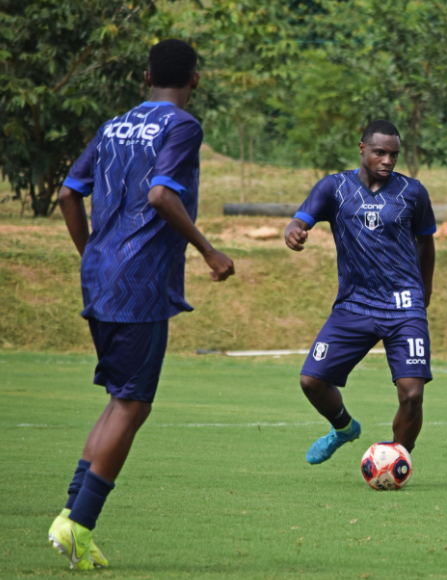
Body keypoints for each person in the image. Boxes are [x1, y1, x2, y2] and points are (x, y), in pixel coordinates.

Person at [50, 39, 235, 569]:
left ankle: (71, 517)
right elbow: (160, 193)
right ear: (194, 79)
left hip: (100, 278)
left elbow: (68, 192)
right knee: (133, 404)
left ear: (145, 74)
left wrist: (94, 255)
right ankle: (80, 526)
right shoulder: (182, 125)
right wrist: (209, 250)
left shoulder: (113, 125)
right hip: (141, 284)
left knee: (118, 398)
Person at [285, 120, 436, 465]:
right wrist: (293, 232)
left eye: (394, 154)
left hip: (403, 306)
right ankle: (343, 428)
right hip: (355, 305)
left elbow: (426, 242)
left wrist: (424, 290)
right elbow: (299, 221)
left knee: (412, 394)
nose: (387, 160)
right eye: (380, 152)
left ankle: (397, 461)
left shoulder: (412, 192)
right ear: (362, 149)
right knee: (311, 381)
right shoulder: (334, 188)